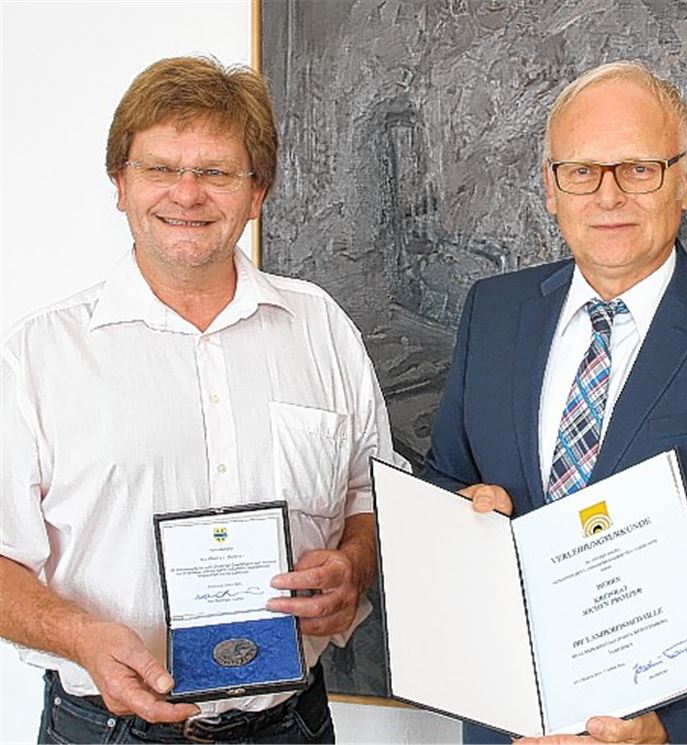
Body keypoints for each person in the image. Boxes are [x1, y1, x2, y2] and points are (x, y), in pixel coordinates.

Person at [421, 60, 687, 744]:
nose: (608, 196)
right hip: (509, 724)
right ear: (550, 188)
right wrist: (464, 514)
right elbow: (443, 481)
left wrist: (664, 725)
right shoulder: (493, 312)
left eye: (639, 168)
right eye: (581, 171)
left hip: (680, 728)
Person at [1, 56, 406, 743]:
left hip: (291, 724)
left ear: (258, 193)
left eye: (216, 172)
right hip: (103, 729)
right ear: (120, 185)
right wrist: (81, 636)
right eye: (161, 168)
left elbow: (369, 502)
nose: (186, 194)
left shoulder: (321, 328)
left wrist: (355, 566)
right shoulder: (38, 355)